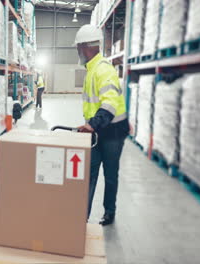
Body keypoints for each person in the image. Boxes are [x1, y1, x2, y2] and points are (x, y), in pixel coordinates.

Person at [73, 25, 129, 226]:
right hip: (96, 130)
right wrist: (90, 125)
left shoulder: (103, 69)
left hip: (113, 131)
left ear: (86, 47)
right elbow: (93, 105)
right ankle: (82, 215)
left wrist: (93, 125)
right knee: (89, 172)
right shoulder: (92, 69)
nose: (77, 52)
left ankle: (109, 212)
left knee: (110, 173)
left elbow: (110, 103)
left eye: (78, 47)